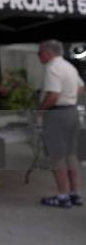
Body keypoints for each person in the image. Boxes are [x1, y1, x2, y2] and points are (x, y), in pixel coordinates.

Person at [37, 40, 84, 208]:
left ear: (47, 53)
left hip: (57, 114)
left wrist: (39, 111)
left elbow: (53, 96)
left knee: (57, 157)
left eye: (39, 53)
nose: (38, 57)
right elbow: (81, 86)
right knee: (71, 155)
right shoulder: (69, 67)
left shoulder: (52, 68)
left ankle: (62, 195)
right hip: (71, 112)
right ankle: (75, 193)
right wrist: (69, 97)